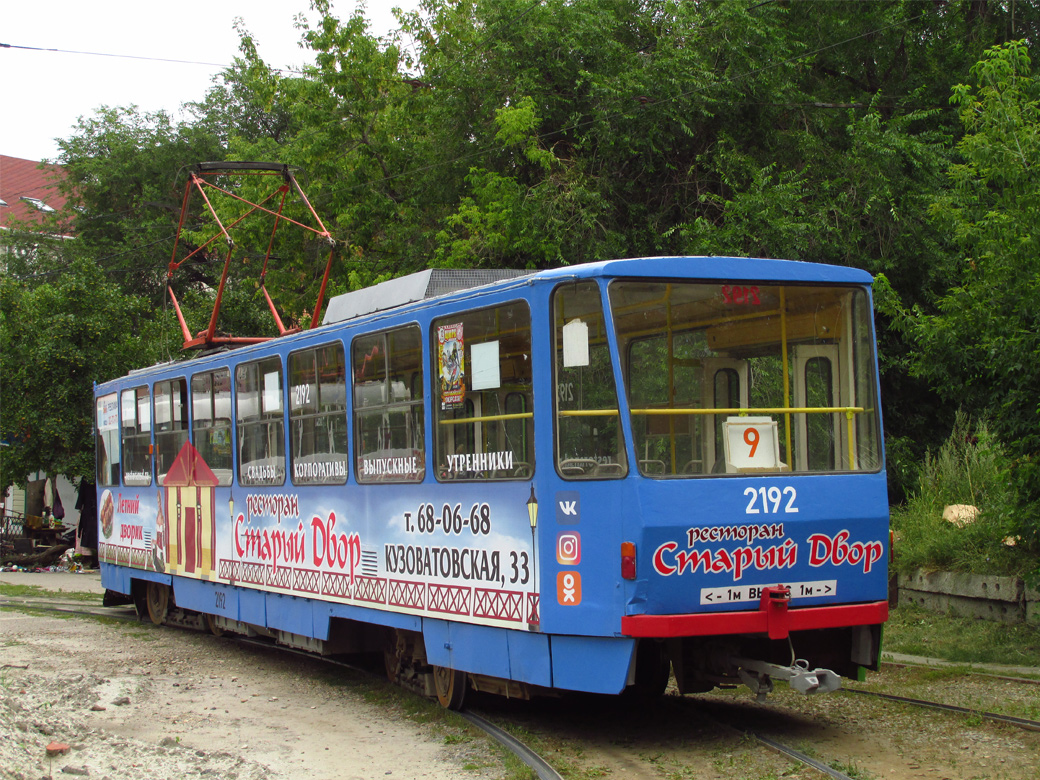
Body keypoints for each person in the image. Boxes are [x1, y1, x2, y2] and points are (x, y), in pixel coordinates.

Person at [76, 479, 98, 563]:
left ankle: (89, 559)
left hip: (90, 513)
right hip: (90, 513)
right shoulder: (87, 479)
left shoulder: (86, 478)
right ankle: (89, 559)